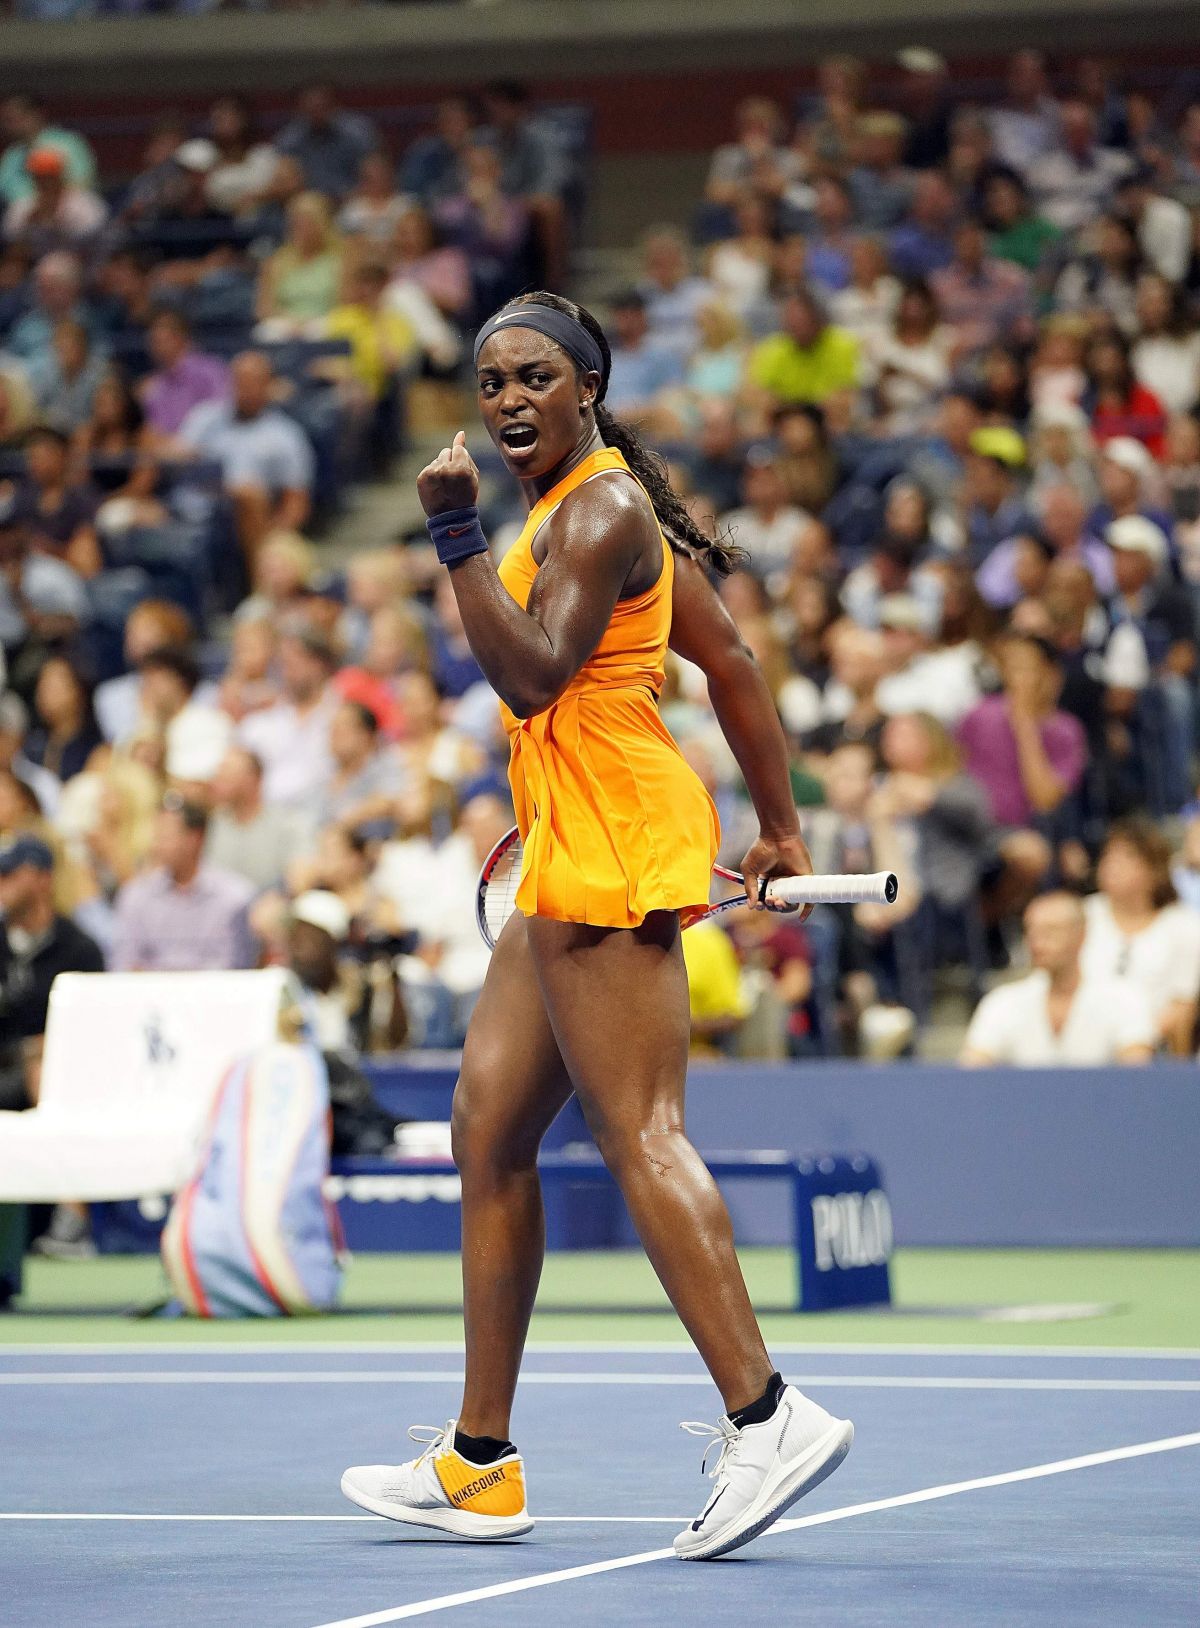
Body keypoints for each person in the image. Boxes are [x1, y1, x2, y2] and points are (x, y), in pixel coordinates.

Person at [340, 291, 853, 1558]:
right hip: (570, 833)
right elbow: (728, 658)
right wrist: (781, 830)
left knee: (641, 1132)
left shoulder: (603, 507)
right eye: (491, 379)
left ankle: (769, 1414)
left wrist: (454, 534)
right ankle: (479, 1458)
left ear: (586, 387)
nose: (508, 398)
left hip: (611, 833)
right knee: (489, 1127)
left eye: (534, 377)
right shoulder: (593, 506)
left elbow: (528, 671)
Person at [960, 891, 1155, 1065]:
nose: (1037, 942)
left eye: (1050, 931)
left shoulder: (1123, 999)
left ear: (1081, 935)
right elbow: (972, 1072)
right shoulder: (1002, 1001)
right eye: (1030, 931)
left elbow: (1136, 1076)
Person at [175, 350, 314, 563]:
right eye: (239, 381)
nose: (245, 389)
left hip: (248, 514)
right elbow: (173, 458)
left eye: (253, 382)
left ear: (269, 385)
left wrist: (275, 536)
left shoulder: (286, 435)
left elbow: (296, 502)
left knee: (248, 493)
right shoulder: (205, 418)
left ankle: (259, 582)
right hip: (193, 501)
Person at [0, 833, 103, 1112]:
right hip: (7, 1058)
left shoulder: (78, 949)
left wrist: (38, 1049)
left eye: (10, 873)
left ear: (44, 879)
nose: (2, 882)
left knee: (41, 1072)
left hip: (52, 1067)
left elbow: (92, 1029)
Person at [1081, 817, 1200, 1055]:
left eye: (1127, 857)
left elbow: (1182, 1006)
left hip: (1151, 1047)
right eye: (1108, 856)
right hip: (1083, 1043)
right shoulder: (1083, 915)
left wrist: (1136, 1039)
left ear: (1155, 869)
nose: (1112, 865)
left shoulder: (1185, 925)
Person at [110, 792, 256, 973]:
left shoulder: (234, 897)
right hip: (148, 998)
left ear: (195, 839)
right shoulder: (135, 896)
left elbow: (234, 969)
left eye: (165, 837)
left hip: (212, 997)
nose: (157, 845)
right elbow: (124, 965)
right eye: (156, 836)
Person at [205, 746, 311, 893]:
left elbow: (300, 877)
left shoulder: (288, 825)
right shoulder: (210, 825)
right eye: (218, 774)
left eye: (226, 775)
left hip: (267, 906)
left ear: (253, 779)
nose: (216, 781)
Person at [141, 308, 230, 438]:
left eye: (161, 340)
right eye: (153, 341)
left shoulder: (210, 371)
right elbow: (155, 428)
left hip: (206, 447)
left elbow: (222, 414)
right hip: (168, 451)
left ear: (180, 339)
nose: (155, 347)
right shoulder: (154, 386)